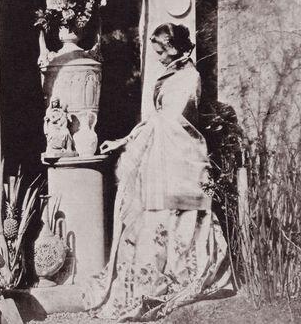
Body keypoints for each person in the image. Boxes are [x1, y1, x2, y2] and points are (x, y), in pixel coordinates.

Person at [83, 23, 233, 321]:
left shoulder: (189, 77)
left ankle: (181, 273)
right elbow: (156, 119)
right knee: (152, 216)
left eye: (162, 52)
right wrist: (125, 140)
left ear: (175, 48)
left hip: (181, 156)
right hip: (162, 155)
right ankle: (151, 276)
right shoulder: (172, 74)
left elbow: (174, 122)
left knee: (182, 213)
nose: (159, 58)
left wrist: (135, 142)